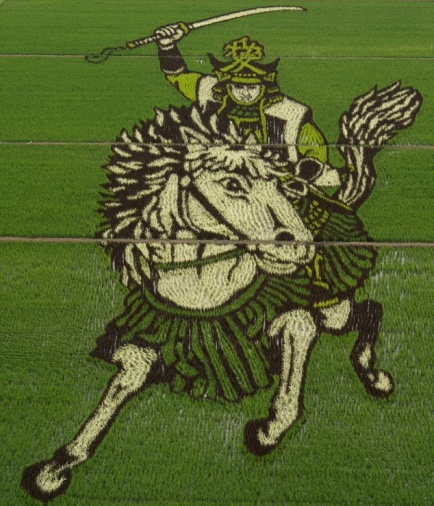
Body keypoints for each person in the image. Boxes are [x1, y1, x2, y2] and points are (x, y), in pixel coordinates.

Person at [154, 25, 345, 193]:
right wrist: (167, 46)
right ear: (227, 85)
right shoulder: (210, 93)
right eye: (238, 87)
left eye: (252, 88)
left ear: (264, 87)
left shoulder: (288, 114)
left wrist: (302, 173)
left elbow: (315, 150)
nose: (245, 94)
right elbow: (178, 76)